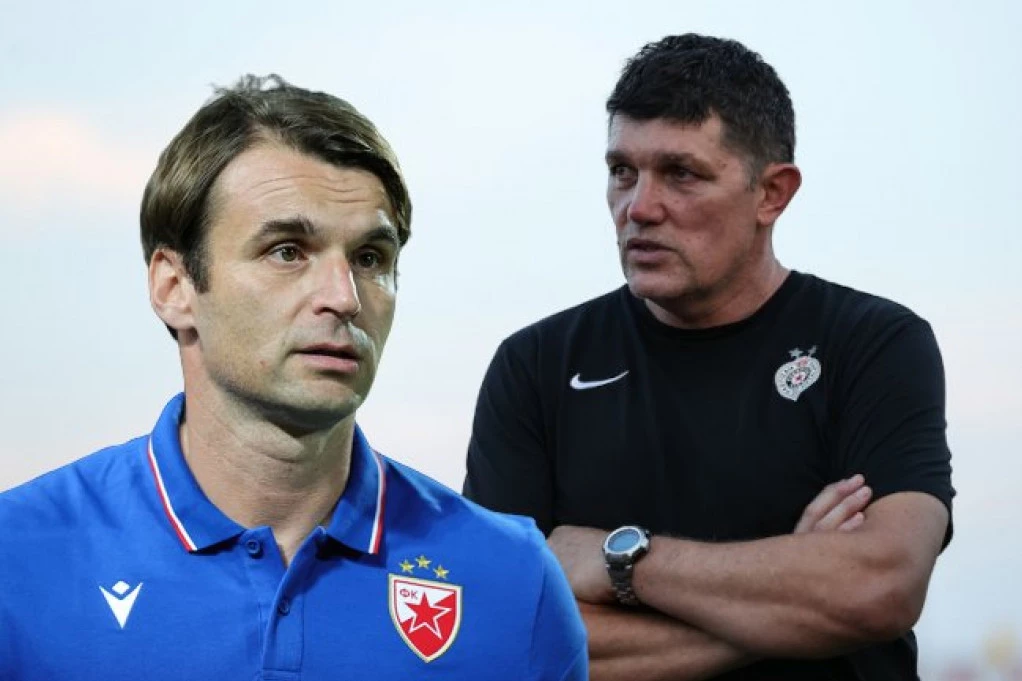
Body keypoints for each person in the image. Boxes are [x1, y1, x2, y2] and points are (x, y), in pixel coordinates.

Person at [0, 75, 587, 680]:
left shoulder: (511, 580)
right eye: (288, 251)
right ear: (174, 287)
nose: (345, 297)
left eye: (370, 259)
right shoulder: (17, 558)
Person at [463, 34, 954, 681]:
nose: (639, 207)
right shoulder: (536, 366)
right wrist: (793, 605)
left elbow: (880, 587)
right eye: (622, 171)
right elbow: (500, 634)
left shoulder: (873, 344)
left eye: (681, 174)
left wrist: (621, 560)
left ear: (772, 193)